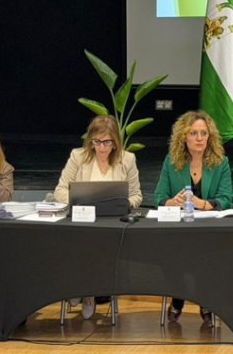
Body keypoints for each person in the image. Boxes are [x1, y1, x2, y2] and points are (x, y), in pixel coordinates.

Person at [54, 115, 143, 319]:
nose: (102, 147)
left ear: (115, 142)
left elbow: (137, 195)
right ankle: (83, 289)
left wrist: (125, 203)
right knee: (81, 241)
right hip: (82, 221)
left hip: (112, 224)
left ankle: (86, 292)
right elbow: (60, 190)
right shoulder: (78, 157)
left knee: (97, 244)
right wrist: (75, 201)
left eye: (107, 142)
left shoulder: (127, 159)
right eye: (97, 142)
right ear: (90, 141)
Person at [151, 110, 233, 324]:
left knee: (205, 253)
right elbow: (159, 197)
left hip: (208, 230)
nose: (199, 138)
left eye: (204, 133)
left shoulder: (221, 162)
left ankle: (205, 300)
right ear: (183, 137)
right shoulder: (171, 162)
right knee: (170, 253)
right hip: (178, 229)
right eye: (193, 133)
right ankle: (178, 298)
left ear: (210, 137)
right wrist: (173, 202)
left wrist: (201, 204)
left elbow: (226, 199)